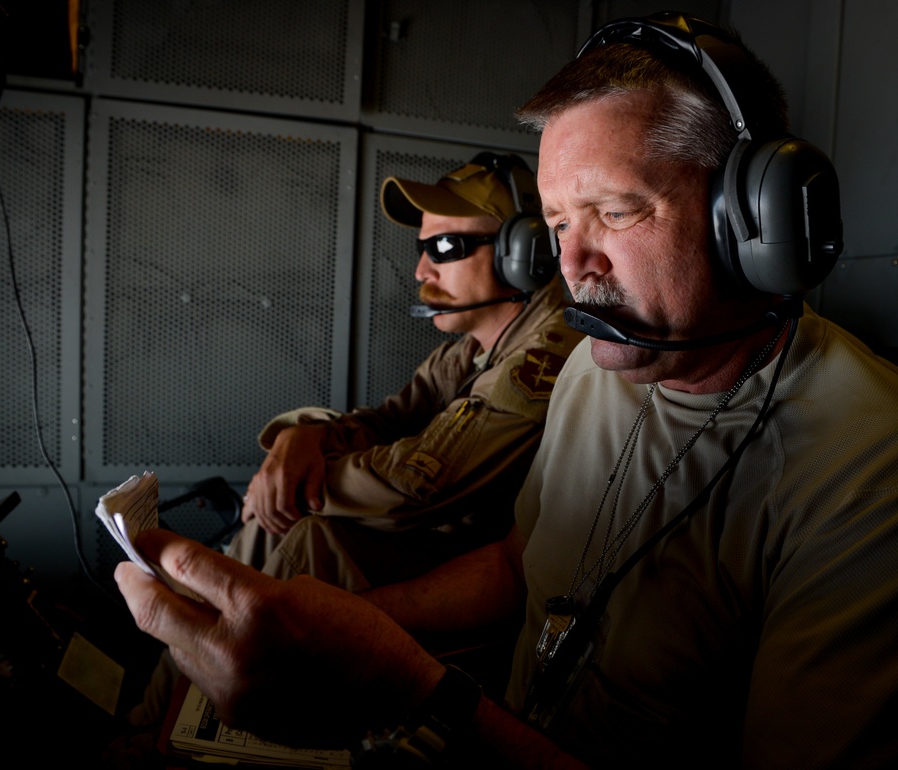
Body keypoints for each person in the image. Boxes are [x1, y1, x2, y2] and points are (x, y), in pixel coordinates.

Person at [115, 13, 898, 769]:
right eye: (558, 227)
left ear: (755, 220)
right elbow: (523, 564)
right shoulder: (595, 370)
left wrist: (407, 684)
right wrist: (341, 633)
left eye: (614, 212)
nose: (573, 266)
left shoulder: (865, 465)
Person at [226, 152, 580, 592]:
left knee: (314, 538)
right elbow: (385, 424)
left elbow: (416, 486)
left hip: (491, 579)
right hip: (439, 547)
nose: (421, 270)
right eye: (422, 248)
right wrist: (304, 437)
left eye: (445, 247)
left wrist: (294, 482)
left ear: (521, 253)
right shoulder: (464, 355)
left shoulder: (548, 357)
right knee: (277, 524)